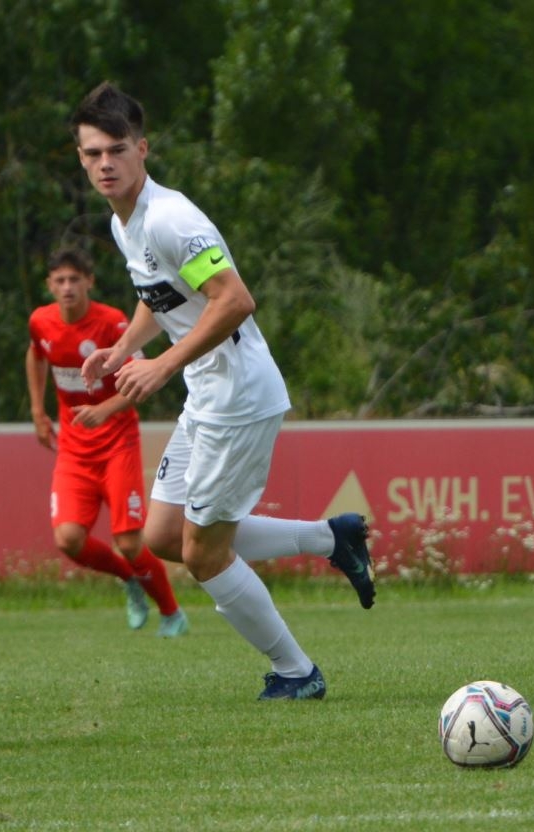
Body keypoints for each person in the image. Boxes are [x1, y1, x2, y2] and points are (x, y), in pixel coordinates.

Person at [71, 81, 375, 700]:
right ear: (80, 158)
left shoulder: (170, 219)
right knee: (164, 536)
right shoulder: (125, 223)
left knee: (204, 555)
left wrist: (160, 366)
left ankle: (297, 673)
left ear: (142, 149)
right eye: (92, 153)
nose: (105, 164)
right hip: (207, 393)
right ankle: (331, 538)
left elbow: (234, 300)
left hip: (237, 398)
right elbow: (160, 294)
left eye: (117, 150)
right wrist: (125, 348)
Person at [27, 246, 188, 637]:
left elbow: (141, 380)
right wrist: (37, 411)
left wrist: (105, 410)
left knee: (130, 542)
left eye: (74, 279)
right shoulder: (41, 322)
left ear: (89, 282)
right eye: (60, 280)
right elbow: (36, 356)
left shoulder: (112, 322)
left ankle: (171, 613)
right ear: (50, 285)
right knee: (68, 539)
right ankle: (130, 579)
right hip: (74, 449)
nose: (67, 287)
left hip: (118, 443)